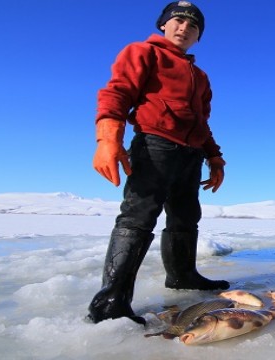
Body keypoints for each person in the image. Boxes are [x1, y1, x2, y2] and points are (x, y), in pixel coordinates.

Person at [87, 1, 229, 325]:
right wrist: (108, 137)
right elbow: (117, 92)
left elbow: (200, 122)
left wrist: (215, 157)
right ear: (163, 24)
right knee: (139, 215)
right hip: (155, 144)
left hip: (190, 154)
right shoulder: (143, 52)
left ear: (198, 37)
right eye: (177, 20)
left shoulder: (200, 77)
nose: (184, 27)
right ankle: (111, 301)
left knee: (186, 216)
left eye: (192, 26)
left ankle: (182, 275)